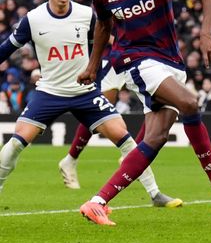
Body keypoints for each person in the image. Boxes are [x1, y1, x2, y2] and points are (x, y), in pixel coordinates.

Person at [77, 0, 211, 225]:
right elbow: (103, 25)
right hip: (134, 60)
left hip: (170, 61)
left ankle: (97, 202)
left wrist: (205, 33)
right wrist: (93, 66)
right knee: (189, 103)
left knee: (156, 137)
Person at [0, 0, 178, 210]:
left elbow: (100, 44)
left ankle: (155, 193)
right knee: (17, 141)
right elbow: (6, 49)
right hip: (50, 92)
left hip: (85, 92)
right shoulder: (33, 19)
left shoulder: (86, 14)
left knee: (124, 137)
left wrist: (97, 71)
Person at [57, 39, 182, 207]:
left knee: (154, 102)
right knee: (100, 110)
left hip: (137, 56)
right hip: (114, 56)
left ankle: (132, 159)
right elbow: (106, 30)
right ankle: (70, 160)